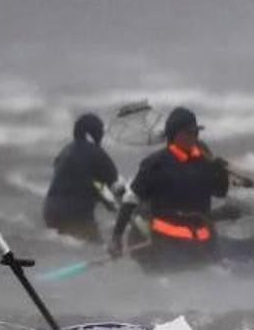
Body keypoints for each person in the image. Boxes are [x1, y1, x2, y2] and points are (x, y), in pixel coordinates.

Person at [108, 107, 241, 271]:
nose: (193, 137)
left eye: (196, 132)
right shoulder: (156, 164)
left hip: (203, 246)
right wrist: (116, 237)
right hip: (167, 246)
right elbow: (131, 199)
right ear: (174, 134)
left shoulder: (204, 161)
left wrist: (220, 173)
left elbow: (220, 192)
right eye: (188, 133)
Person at [43, 113, 122, 243]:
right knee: (95, 246)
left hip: (50, 211)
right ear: (96, 133)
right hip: (75, 214)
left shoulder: (65, 152)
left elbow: (82, 181)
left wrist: (106, 201)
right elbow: (117, 189)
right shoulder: (97, 154)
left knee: (67, 244)